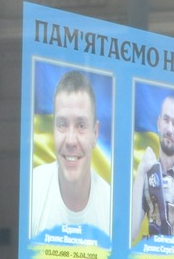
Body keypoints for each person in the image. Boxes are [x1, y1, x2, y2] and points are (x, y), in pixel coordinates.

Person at [28, 69, 112, 239]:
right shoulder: (31, 191)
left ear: (95, 134)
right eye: (62, 124)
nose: (71, 141)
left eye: (81, 125)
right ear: (53, 130)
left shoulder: (111, 205)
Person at [132, 93, 174, 245]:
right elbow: (131, 232)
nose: (169, 129)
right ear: (158, 123)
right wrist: (142, 170)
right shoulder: (147, 175)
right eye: (166, 120)